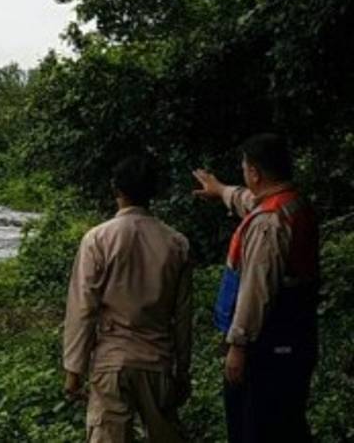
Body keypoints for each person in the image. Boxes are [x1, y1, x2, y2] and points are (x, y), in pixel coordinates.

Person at [193, 133, 320, 443]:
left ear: (254, 173)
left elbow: (255, 291)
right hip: (295, 339)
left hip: (268, 345)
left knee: (256, 426)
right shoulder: (291, 204)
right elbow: (248, 201)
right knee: (287, 421)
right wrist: (221, 190)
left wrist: (238, 345)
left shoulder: (268, 223)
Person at [63, 156, 193, 443]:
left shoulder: (98, 239)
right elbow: (183, 317)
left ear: (116, 190)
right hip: (158, 360)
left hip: (113, 361)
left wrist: (74, 369)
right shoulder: (176, 243)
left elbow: (83, 308)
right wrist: (182, 371)